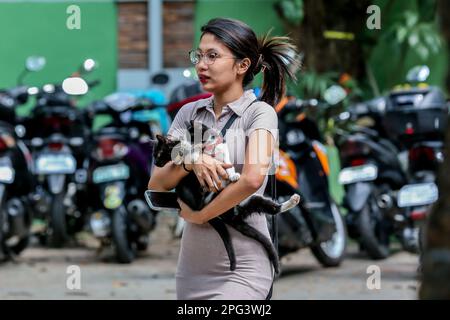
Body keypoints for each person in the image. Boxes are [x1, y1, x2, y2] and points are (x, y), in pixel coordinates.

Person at [148, 17, 300, 300]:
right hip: (192, 270)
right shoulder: (188, 114)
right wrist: (191, 159)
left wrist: (201, 215)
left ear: (242, 66)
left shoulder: (259, 114)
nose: (201, 64)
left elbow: (252, 179)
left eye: (213, 56)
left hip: (243, 267)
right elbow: (157, 183)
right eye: (199, 55)